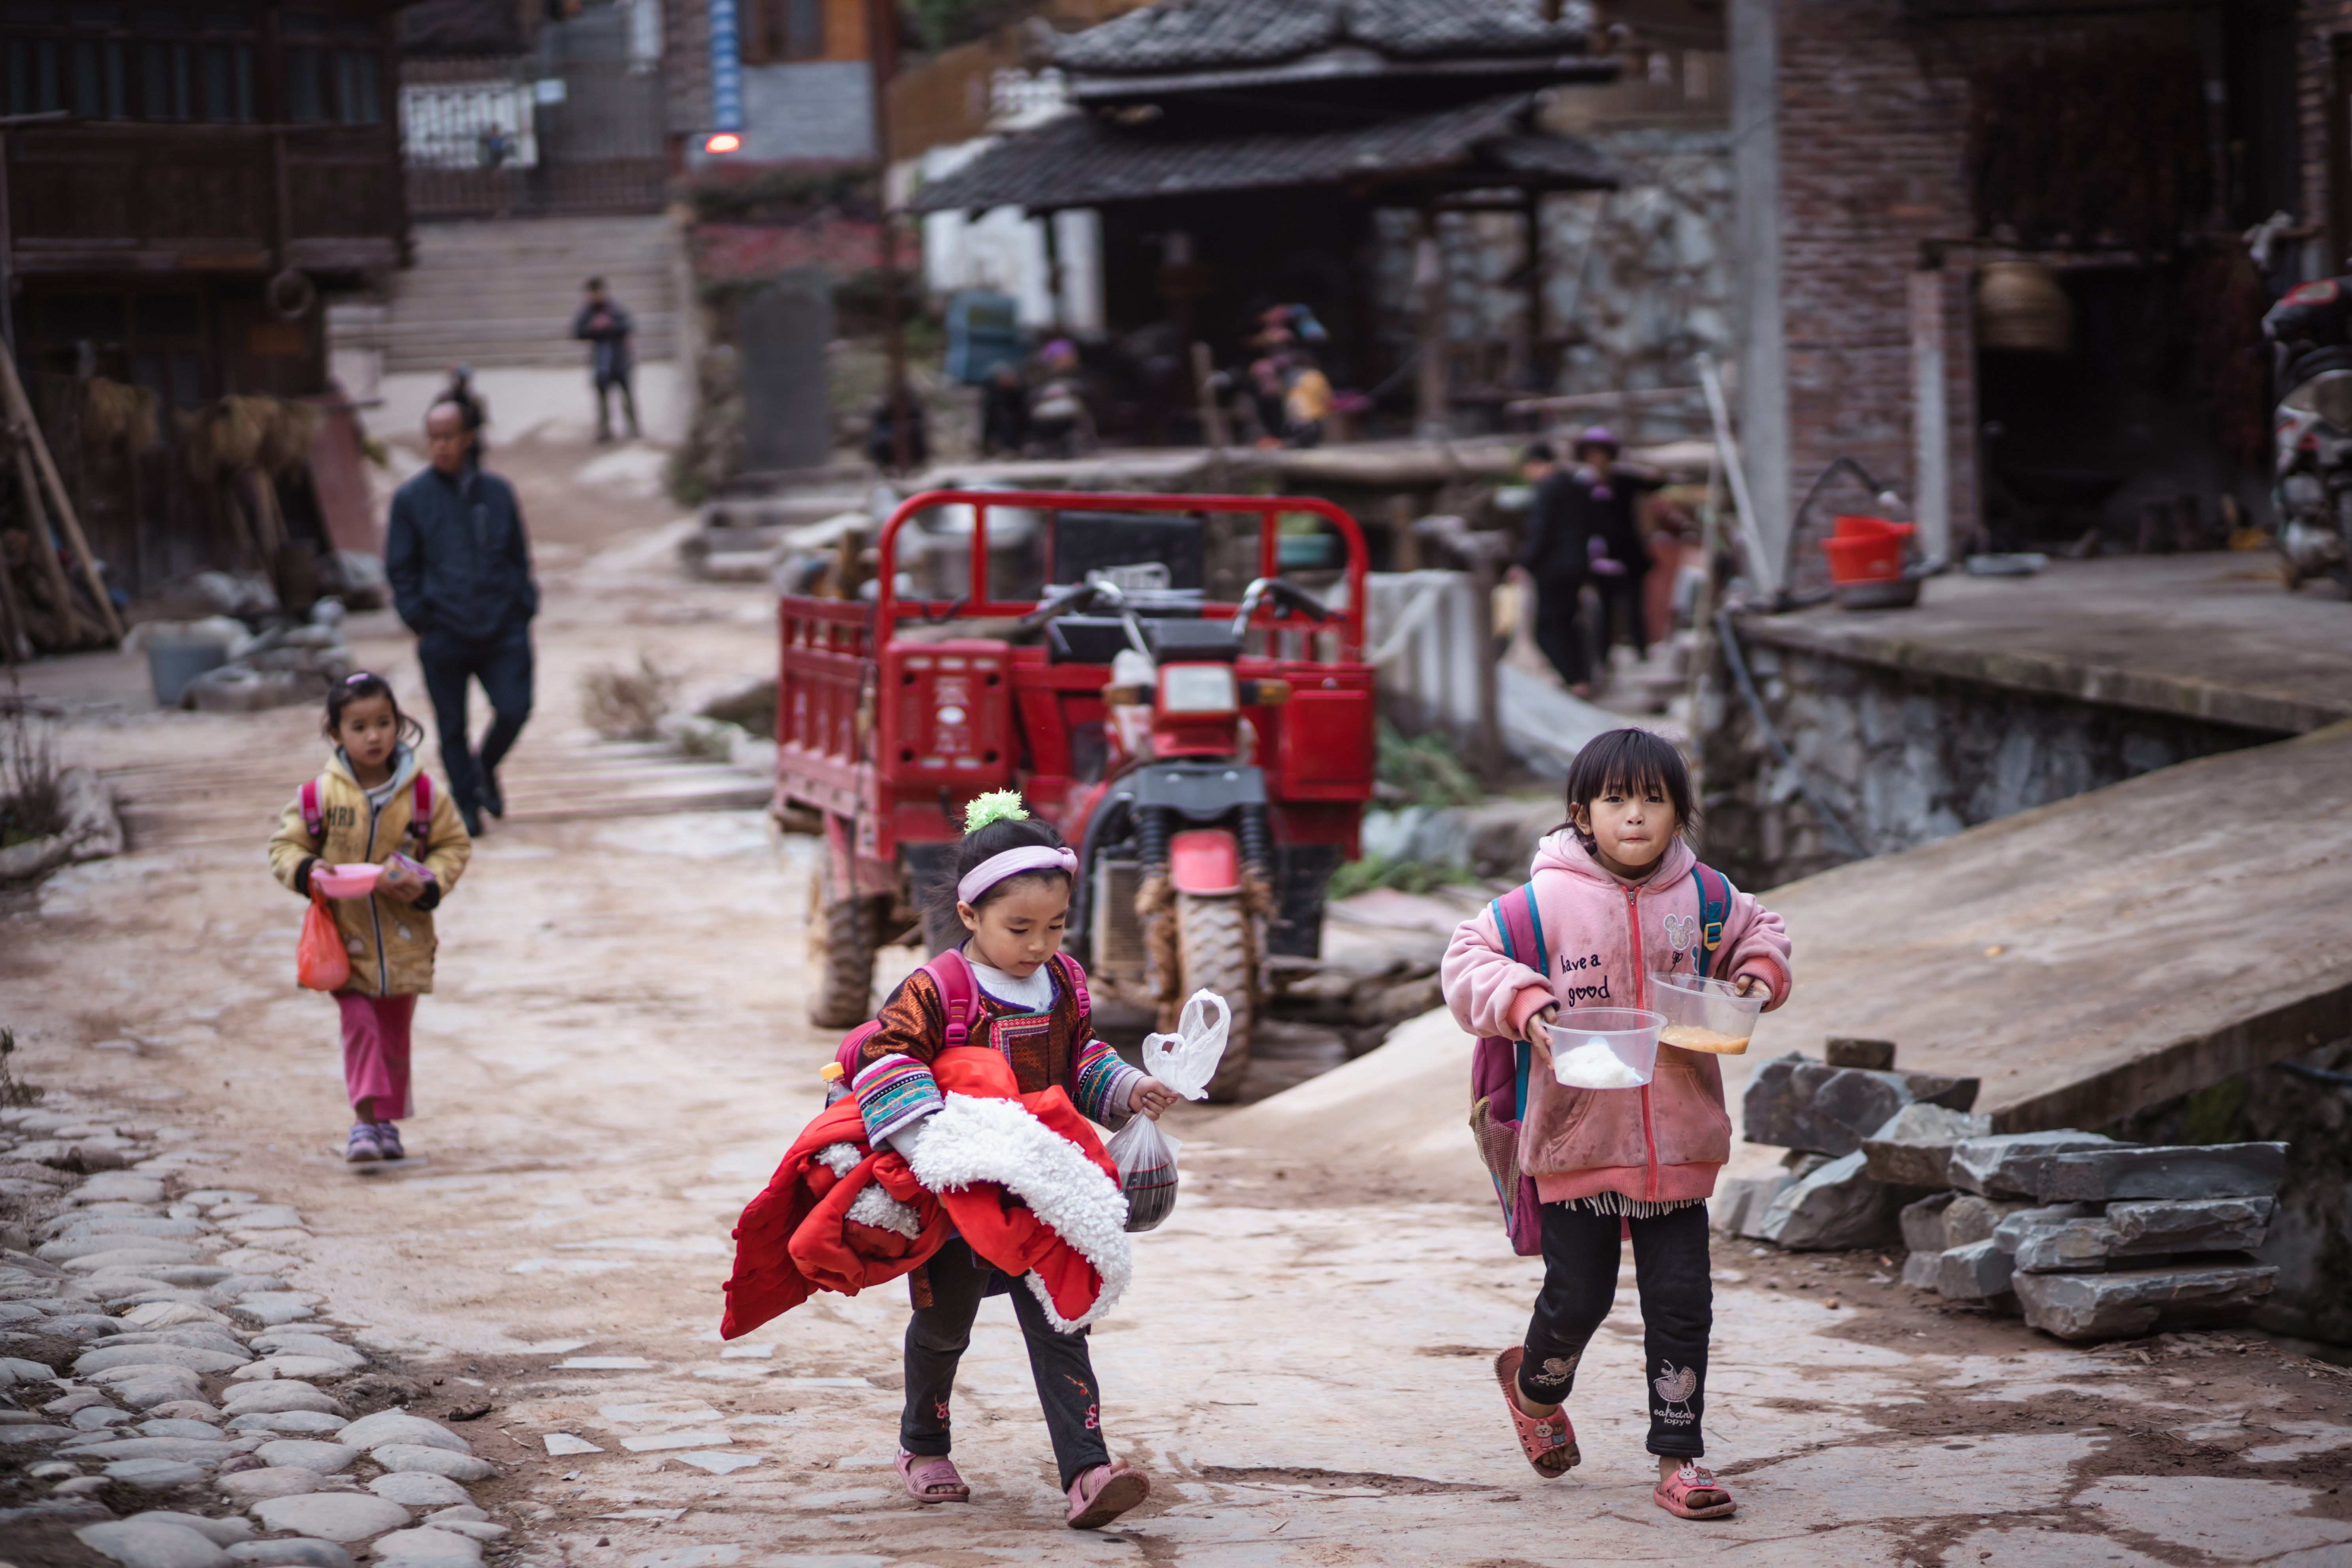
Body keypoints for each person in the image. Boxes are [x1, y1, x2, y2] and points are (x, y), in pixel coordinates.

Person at [1440, 729, 1791, 1522]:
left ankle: (1680, 1456)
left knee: (1682, 1301)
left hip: (1680, 1145)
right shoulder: (1539, 904)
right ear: (1582, 815)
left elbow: (1764, 932)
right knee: (1578, 1299)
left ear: (1679, 814)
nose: (1636, 815)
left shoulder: (1706, 899)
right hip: (1578, 1142)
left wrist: (1752, 974)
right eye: (1616, 799)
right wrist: (1526, 1004)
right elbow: (1466, 960)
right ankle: (1533, 1391)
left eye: (1654, 799)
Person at [847, 791, 1176, 1528]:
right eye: (1018, 927)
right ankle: (923, 1444)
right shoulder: (938, 989)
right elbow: (885, 1056)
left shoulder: (1062, 981)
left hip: (1045, 1187)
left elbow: (1079, 1057)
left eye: (1055, 925)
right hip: (962, 1194)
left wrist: (1127, 1087)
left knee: (1062, 1318)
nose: (1038, 944)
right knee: (944, 1328)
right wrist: (936, 1147)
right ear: (968, 915)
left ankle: (1088, 1472)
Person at [268, 673, 472, 1163]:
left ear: (400, 724)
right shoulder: (318, 798)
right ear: (336, 733)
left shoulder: (424, 795)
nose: (375, 736)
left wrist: (427, 884)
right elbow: (285, 846)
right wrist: (308, 868)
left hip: (406, 941)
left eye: (384, 723)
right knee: (360, 1025)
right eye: (359, 726)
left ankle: (386, 1122)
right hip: (346, 940)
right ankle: (363, 1123)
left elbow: (454, 846)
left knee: (394, 1035)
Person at [386, 403, 538, 838]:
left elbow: (517, 556)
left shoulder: (498, 493)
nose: (440, 446)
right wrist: (419, 618)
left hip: (502, 626)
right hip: (443, 630)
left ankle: (485, 766)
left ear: (469, 438)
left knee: (514, 708)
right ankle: (466, 804)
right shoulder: (412, 499)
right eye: (433, 437)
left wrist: (521, 606)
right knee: (452, 726)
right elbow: (400, 567)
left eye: (449, 436)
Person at [1519, 426, 1664, 696]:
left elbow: (1541, 532)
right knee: (1583, 619)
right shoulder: (1579, 487)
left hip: (1569, 566)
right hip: (1585, 564)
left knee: (1552, 625)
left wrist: (1524, 564)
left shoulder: (1555, 489)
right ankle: (1587, 674)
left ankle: (1577, 677)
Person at [571, 277, 639, 442]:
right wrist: (592, 328)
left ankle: (633, 428)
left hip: (619, 359)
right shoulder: (587, 312)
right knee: (602, 398)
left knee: (627, 395)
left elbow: (629, 326)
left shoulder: (616, 309)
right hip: (600, 361)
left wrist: (611, 325)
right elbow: (577, 332)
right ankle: (604, 430)